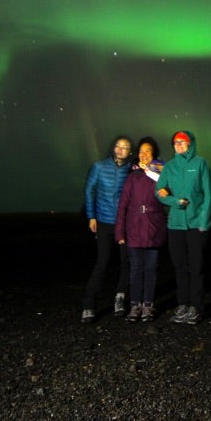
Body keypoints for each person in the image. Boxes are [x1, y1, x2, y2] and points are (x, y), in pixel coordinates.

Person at [155, 130, 211, 324]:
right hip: (176, 224)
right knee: (180, 267)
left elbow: (208, 194)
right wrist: (175, 201)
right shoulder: (170, 167)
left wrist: (204, 222)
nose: (179, 145)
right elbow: (159, 192)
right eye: (175, 142)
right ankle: (182, 304)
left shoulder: (200, 164)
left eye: (183, 142)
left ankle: (196, 307)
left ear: (191, 144)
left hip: (196, 224)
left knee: (196, 267)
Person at [114, 137, 168, 322]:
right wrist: (120, 231)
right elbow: (123, 205)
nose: (143, 154)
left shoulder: (161, 175)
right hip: (134, 227)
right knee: (136, 268)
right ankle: (135, 305)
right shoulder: (132, 176)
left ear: (154, 154)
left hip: (154, 226)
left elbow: (167, 197)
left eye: (148, 151)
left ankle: (148, 305)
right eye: (141, 151)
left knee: (151, 268)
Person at [81, 135, 133, 323]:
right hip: (103, 220)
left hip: (124, 223)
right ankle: (88, 304)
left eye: (125, 147)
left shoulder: (131, 170)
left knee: (126, 262)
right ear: (113, 148)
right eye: (118, 146)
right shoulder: (99, 166)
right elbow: (89, 190)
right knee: (102, 262)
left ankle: (120, 298)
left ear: (129, 152)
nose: (121, 149)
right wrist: (91, 216)